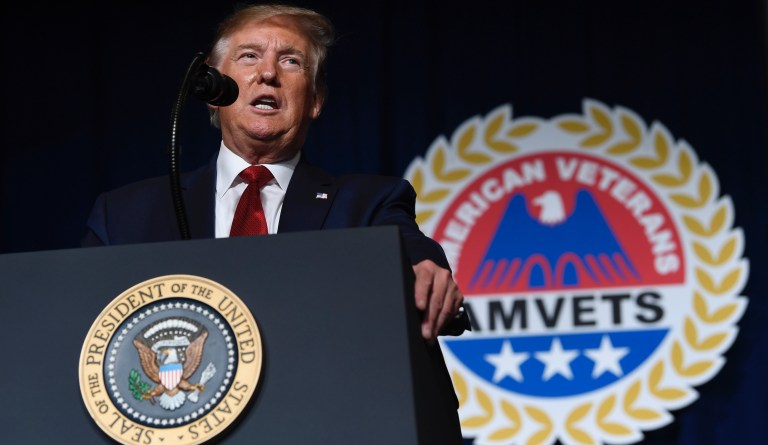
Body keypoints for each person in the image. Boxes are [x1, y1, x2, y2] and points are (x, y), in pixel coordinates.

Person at [82, 5, 466, 438]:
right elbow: (77, 324)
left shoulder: (367, 202)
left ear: (316, 99)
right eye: (248, 56)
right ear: (213, 90)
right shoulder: (128, 215)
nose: (268, 73)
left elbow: (408, 245)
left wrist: (424, 267)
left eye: (290, 61)